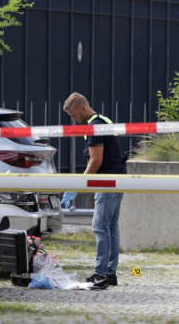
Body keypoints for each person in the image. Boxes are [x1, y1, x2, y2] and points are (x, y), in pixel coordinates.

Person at [63, 92, 127, 290]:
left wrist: (78, 186)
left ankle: (101, 276)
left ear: (83, 109)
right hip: (117, 179)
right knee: (111, 228)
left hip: (106, 182)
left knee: (100, 228)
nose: (73, 120)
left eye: (73, 115)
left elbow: (95, 160)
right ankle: (110, 274)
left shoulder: (93, 126)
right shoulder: (103, 119)